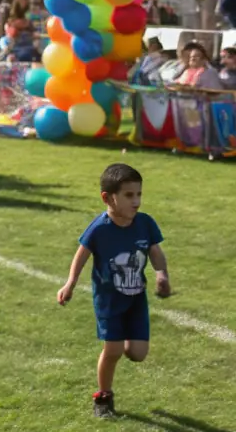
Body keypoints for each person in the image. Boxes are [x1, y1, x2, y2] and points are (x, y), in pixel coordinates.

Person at [57, 163, 170, 418]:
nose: (137, 201)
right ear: (108, 198)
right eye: (129, 195)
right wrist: (70, 284)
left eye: (139, 194)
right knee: (114, 351)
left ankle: (126, 344)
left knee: (137, 354)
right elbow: (81, 256)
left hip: (136, 299)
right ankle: (103, 397)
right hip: (109, 301)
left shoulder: (145, 224)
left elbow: (155, 252)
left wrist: (162, 275)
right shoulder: (99, 228)